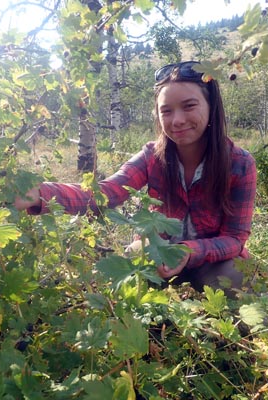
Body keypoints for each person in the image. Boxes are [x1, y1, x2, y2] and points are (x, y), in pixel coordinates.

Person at [14, 61, 257, 297]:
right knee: (126, 276)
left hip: (211, 260)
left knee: (237, 281)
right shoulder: (152, 156)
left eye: (189, 106)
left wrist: (187, 251)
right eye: (166, 111)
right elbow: (106, 193)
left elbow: (235, 238)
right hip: (156, 253)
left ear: (211, 105)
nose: (177, 120)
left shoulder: (239, 163)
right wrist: (38, 193)